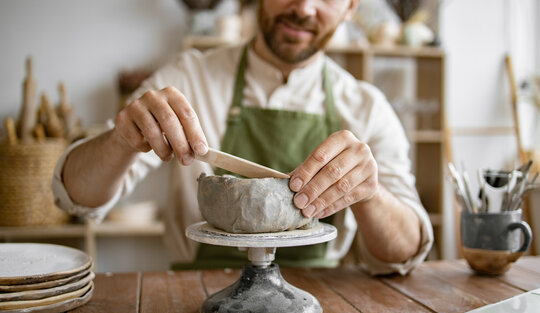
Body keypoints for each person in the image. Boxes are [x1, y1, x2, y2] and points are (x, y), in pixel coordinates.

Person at [53, 0, 433, 274]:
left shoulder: (368, 106)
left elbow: (405, 251)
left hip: (321, 304)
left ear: (352, 7)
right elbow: (75, 198)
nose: (304, 7)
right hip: (198, 301)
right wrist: (121, 140)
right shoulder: (190, 78)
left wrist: (369, 193)